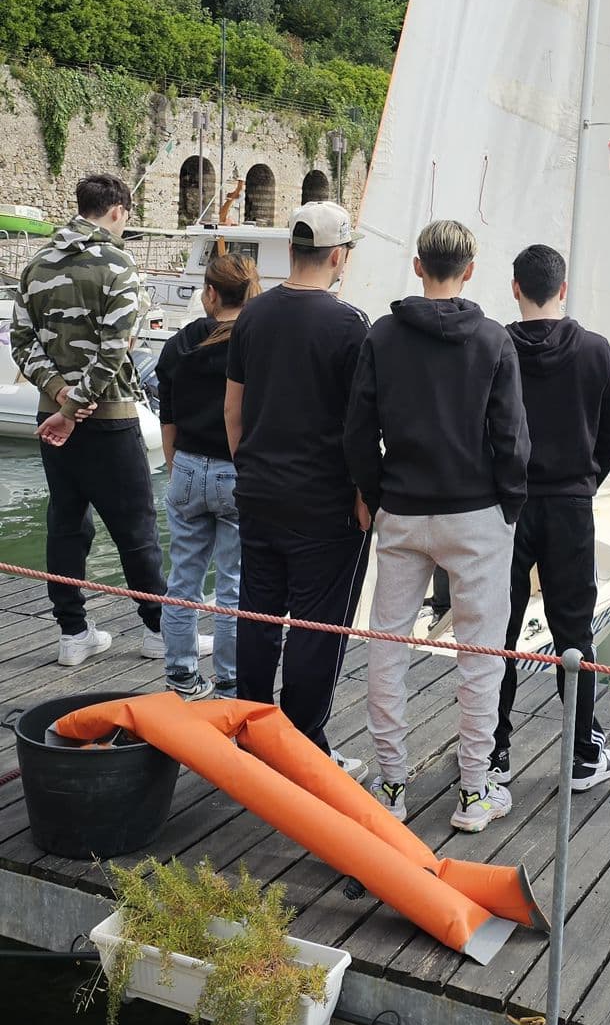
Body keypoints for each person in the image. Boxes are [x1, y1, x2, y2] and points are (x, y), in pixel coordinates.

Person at [344, 218, 529, 832]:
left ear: (417, 265)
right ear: (470, 270)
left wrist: (374, 492)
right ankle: (475, 791)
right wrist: (509, 504)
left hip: (402, 508)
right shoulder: (494, 340)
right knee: (479, 654)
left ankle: (392, 782)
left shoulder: (383, 337)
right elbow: (511, 439)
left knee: (387, 645)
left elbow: (357, 431)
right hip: (476, 515)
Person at [224, 203, 370, 773]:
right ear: (338, 256)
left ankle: (252, 730)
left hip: (258, 492)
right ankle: (305, 745)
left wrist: (249, 469)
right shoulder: (349, 325)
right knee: (316, 627)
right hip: (323, 503)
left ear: (291, 251)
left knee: (257, 616)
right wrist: (364, 493)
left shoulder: (252, 317)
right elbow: (360, 425)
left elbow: (232, 410)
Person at [10, 173, 168, 665]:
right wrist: (76, 407)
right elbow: (115, 348)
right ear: (118, 211)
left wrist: (59, 400)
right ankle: (159, 631)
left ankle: (72, 634)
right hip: (109, 418)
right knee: (136, 529)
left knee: (65, 523)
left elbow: (20, 343)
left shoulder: (36, 264)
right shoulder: (119, 264)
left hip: (50, 422)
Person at [491, 243, 610, 791]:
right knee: (575, 633)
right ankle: (583, 752)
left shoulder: (494, 348)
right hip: (571, 505)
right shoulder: (595, 350)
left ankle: (492, 749)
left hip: (509, 505)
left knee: (497, 630)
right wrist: (586, 478)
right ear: (563, 289)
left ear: (515, 288)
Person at [157, 251, 260, 700]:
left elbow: (168, 415)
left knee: (183, 581)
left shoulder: (179, 343)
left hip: (186, 466)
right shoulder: (256, 342)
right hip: (234, 472)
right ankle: (230, 680)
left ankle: (181, 677)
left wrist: (174, 461)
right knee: (233, 586)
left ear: (211, 293)